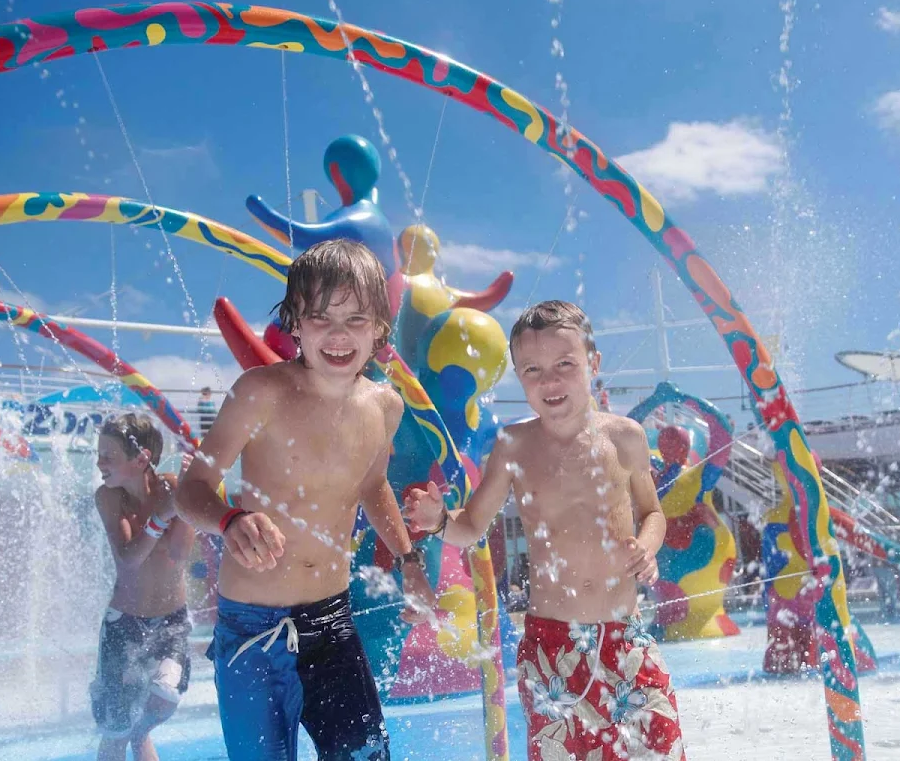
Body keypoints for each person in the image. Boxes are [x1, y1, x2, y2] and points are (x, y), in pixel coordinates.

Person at [175, 239, 434, 761]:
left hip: (331, 624)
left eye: (356, 319)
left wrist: (410, 560)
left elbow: (372, 486)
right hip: (251, 631)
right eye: (321, 318)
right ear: (295, 321)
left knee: (366, 756)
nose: (338, 336)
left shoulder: (385, 406)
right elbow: (190, 490)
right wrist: (228, 519)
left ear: (380, 327)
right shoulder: (260, 392)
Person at [404, 300, 686, 761]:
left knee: (660, 750)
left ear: (592, 364)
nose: (550, 381)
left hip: (625, 638)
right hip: (550, 649)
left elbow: (653, 512)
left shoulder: (626, 437)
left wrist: (648, 547)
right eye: (532, 370)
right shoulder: (515, 446)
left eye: (565, 365)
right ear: (517, 374)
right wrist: (438, 521)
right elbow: (471, 526)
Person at [91, 413, 195, 761]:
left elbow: (180, 552)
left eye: (108, 455)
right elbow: (128, 559)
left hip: (172, 622)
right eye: (99, 453)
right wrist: (160, 518)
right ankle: (128, 735)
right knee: (116, 731)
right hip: (125, 623)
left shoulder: (171, 488)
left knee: (165, 696)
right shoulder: (109, 498)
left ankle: (140, 732)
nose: (99, 461)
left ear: (141, 458)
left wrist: (184, 503)